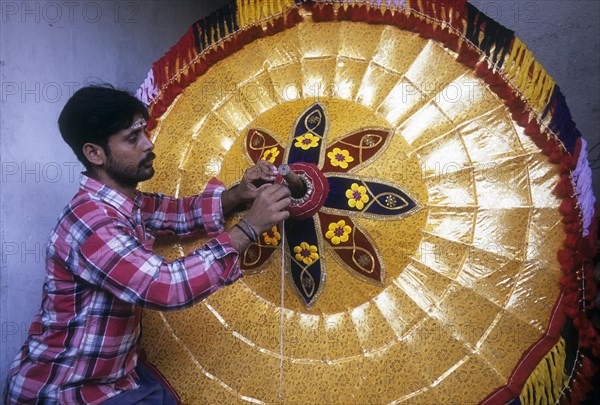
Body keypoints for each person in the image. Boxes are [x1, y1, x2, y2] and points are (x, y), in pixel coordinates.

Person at [4, 85, 291, 404]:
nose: (148, 144)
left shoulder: (127, 204)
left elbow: (180, 213)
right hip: (67, 391)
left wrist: (238, 195)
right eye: (132, 138)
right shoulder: (91, 222)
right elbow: (166, 286)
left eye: (145, 131)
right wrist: (250, 227)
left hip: (116, 380)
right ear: (95, 153)